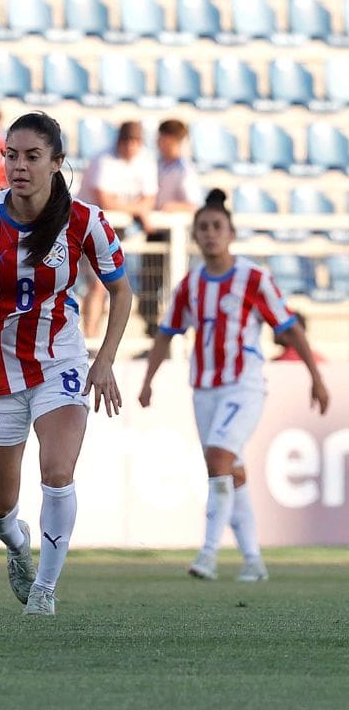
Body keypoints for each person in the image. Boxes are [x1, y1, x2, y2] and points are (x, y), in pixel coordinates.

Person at [0, 111, 133, 616]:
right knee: (0, 507)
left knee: (57, 471)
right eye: (11, 155)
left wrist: (104, 359)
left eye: (32, 156)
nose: (19, 166)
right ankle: (16, 543)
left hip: (60, 360)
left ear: (57, 162)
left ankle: (44, 590)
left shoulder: (85, 221)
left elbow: (122, 292)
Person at [138, 189, 329, 583]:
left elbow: (290, 327)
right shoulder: (190, 285)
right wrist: (148, 381)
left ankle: (208, 553)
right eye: (203, 228)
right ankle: (253, 560)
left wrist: (316, 377)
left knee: (218, 459)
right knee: (231, 471)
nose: (210, 233)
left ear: (231, 233)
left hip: (244, 386)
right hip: (204, 388)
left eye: (217, 226)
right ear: (195, 235)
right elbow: (167, 332)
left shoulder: (253, 278)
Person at [78, 120, 158, 339]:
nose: (130, 146)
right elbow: (105, 200)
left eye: (135, 141)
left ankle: (99, 339)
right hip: (90, 231)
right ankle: (91, 339)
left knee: (115, 286)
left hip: (120, 232)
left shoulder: (146, 160)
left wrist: (137, 209)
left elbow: (150, 198)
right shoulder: (104, 159)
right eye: (126, 141)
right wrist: (138, 210)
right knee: (97, 286)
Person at [154, 119, 202, 213]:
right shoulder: (155, 164)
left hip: (174, 220)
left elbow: (193, 205)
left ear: (172, 140)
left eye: (162, 138)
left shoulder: (186, 170)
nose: (158, 141)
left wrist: (172, 207)